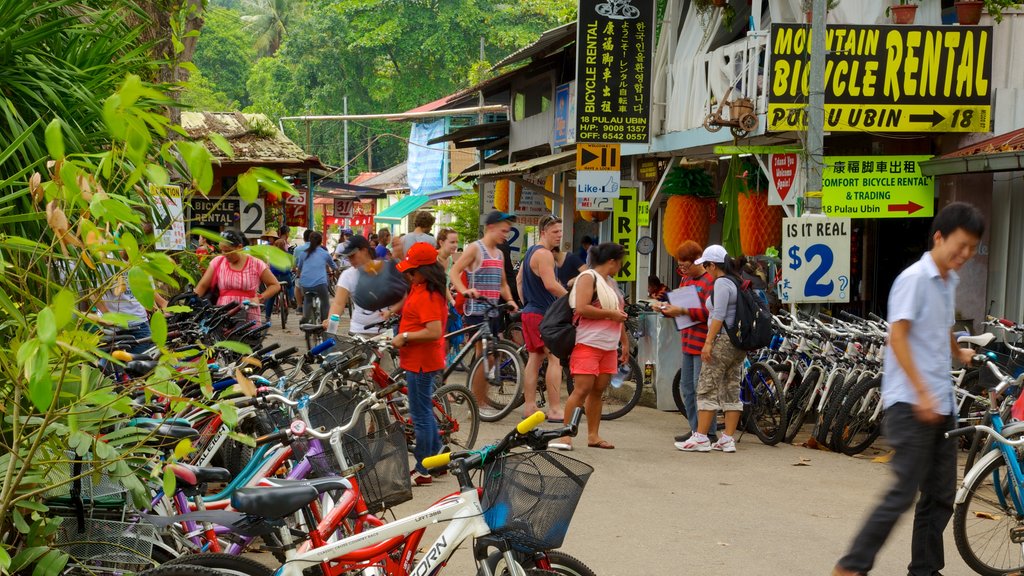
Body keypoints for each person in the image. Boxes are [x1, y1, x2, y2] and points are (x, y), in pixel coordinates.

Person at [832, 202, 983, 576]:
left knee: (942, 495)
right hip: (910, 402)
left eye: (972, 248)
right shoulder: (914, 279)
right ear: (939, 237)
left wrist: (957, 351)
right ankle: (851, 566)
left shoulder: (950, 280)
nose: (965, 254)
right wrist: (924, 392)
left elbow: (943, 325)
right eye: (960, 245)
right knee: (902, 492)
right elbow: (897, 338)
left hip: (941, 402)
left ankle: (925, 570)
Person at [551, 242, 628, 451]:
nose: (620, 266)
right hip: (588, 342)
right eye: (620, 262)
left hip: (609, 345)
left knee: (598, 390)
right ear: (612, 261)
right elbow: (582, 308)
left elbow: (618, 313)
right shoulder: (588, 278)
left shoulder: (610, 283)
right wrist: (610, 314)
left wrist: (624, 342)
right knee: (582, 389)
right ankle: (565, 435)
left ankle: (593, 435)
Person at [675, 245, 746, 454]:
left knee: (706, 387)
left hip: (722, 341)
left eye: (706, 265)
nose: (706, 269)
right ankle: (727, 439)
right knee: (731, 389)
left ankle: (701, 437)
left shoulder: (722, 283)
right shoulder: (737, 281)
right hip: (737, 344)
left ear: (713, 265)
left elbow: (718, 315)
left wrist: (708, 342)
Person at [450, 211, 520, 412]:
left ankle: (479, 398)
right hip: (476, 310)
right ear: (490, 227)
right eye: (503, 230)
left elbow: (503, 283)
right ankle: (478, 402)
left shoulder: (499, 253)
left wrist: (510, 300)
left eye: (507, 231)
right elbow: (455, 272)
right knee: (485, 356)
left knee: (492, 356)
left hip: (493, 310)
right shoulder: (475, 248)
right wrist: (464, 290)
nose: (505, 235)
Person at [392, 242, 449, 486]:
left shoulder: (428, 294)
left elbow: (434, 331)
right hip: (418, 360)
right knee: (423, 411)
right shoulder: (421, 287)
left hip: (422, 363)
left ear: (424, 271)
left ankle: (423, 467)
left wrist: (404, 337)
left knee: (421, 414)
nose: (408, 275)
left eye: (412, 271)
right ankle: (437, 460)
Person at [659, 241, 716, 444]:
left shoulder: (710, 281)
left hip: (704, 341)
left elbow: (711, 313)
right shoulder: (686, 281)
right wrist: (667, 309)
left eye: (685, 266)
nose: (682, 270)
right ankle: (696, 429)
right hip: (688, 340)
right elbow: (680, 306)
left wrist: (681, 311)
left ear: (697, 261)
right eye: (680, 266)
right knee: (687, 388)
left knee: (702, 388)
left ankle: (707, 432)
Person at [516, 215, 567, 420]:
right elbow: (550, 285)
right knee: (555, 359)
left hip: (530, 312)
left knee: (534, 359)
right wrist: (572, 298)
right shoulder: (544, 254)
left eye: (561, 232)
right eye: (555, 232)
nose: (559, 236)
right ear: (543, 232)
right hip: (543, 314)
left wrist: (526, 303)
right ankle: (554, 409)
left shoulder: (530, 252)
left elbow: (519, 280)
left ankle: (530, 407)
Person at [195, 230, 280, 323]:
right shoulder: (218, 262)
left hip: (249, 315)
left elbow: (275, 285)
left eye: (228, 251)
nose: (224, 254)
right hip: (223, 315)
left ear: (239, 247)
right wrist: (190, 304)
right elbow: (203, 286)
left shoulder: (255, 263)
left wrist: (260, 298)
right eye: (222, 250)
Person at [323, 235, 392, 337]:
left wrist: (391, 311)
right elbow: (338, 303)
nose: (350, 260)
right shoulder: (347, 275)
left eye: (352, 256)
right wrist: (330, 320)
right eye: (348, 257)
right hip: (359, 331)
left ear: (364, 251)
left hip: (383, 332)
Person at [295, 230, 338, 324]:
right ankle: (324, 322)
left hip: (305, 284)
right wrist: (337, 269)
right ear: (321, 241)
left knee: (307, 299)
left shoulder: (303, 254)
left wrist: (299, 275)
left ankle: (306, 317)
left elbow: (299, 269)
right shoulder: (325, 253)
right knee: (325, 302)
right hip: (320, 284)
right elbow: (334, 267)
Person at [264, 226, 295, 322]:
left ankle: (267, 317)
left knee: (271, 296)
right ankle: (292, 297)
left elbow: (268, 266)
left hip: (274, 278)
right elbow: (291, 267)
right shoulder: (288, 255)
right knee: (290, 286)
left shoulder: (271, 254)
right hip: (285, 277)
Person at [292, 229, 312, 311]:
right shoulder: (319, 248)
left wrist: (294, 269)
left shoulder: (298, 249)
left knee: (297, 287)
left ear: (304, 239)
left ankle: (299, 306)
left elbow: (294, 264)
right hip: (317, 276)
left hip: (302, 275)